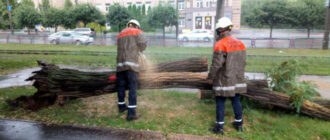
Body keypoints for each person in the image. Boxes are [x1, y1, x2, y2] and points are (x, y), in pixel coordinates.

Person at [207, 17, 246, 135]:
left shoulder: (220, 44)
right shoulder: (240, 43)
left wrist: (210, 77)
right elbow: (243, 62)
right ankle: (239, 124)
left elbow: (216, 64)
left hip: (223, 80)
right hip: (237, 79)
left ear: (220, 30)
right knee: (236, 100)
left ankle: (219, 128)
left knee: (220, 101)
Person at [116, 19, 147, 121]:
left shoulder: (120, 33)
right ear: (137, 26)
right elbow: (142, 46)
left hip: (120, 65)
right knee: (132, 88)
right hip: (132, 65)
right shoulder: (137, 32)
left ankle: (121, 107)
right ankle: (131, 114)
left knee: (121, 86)